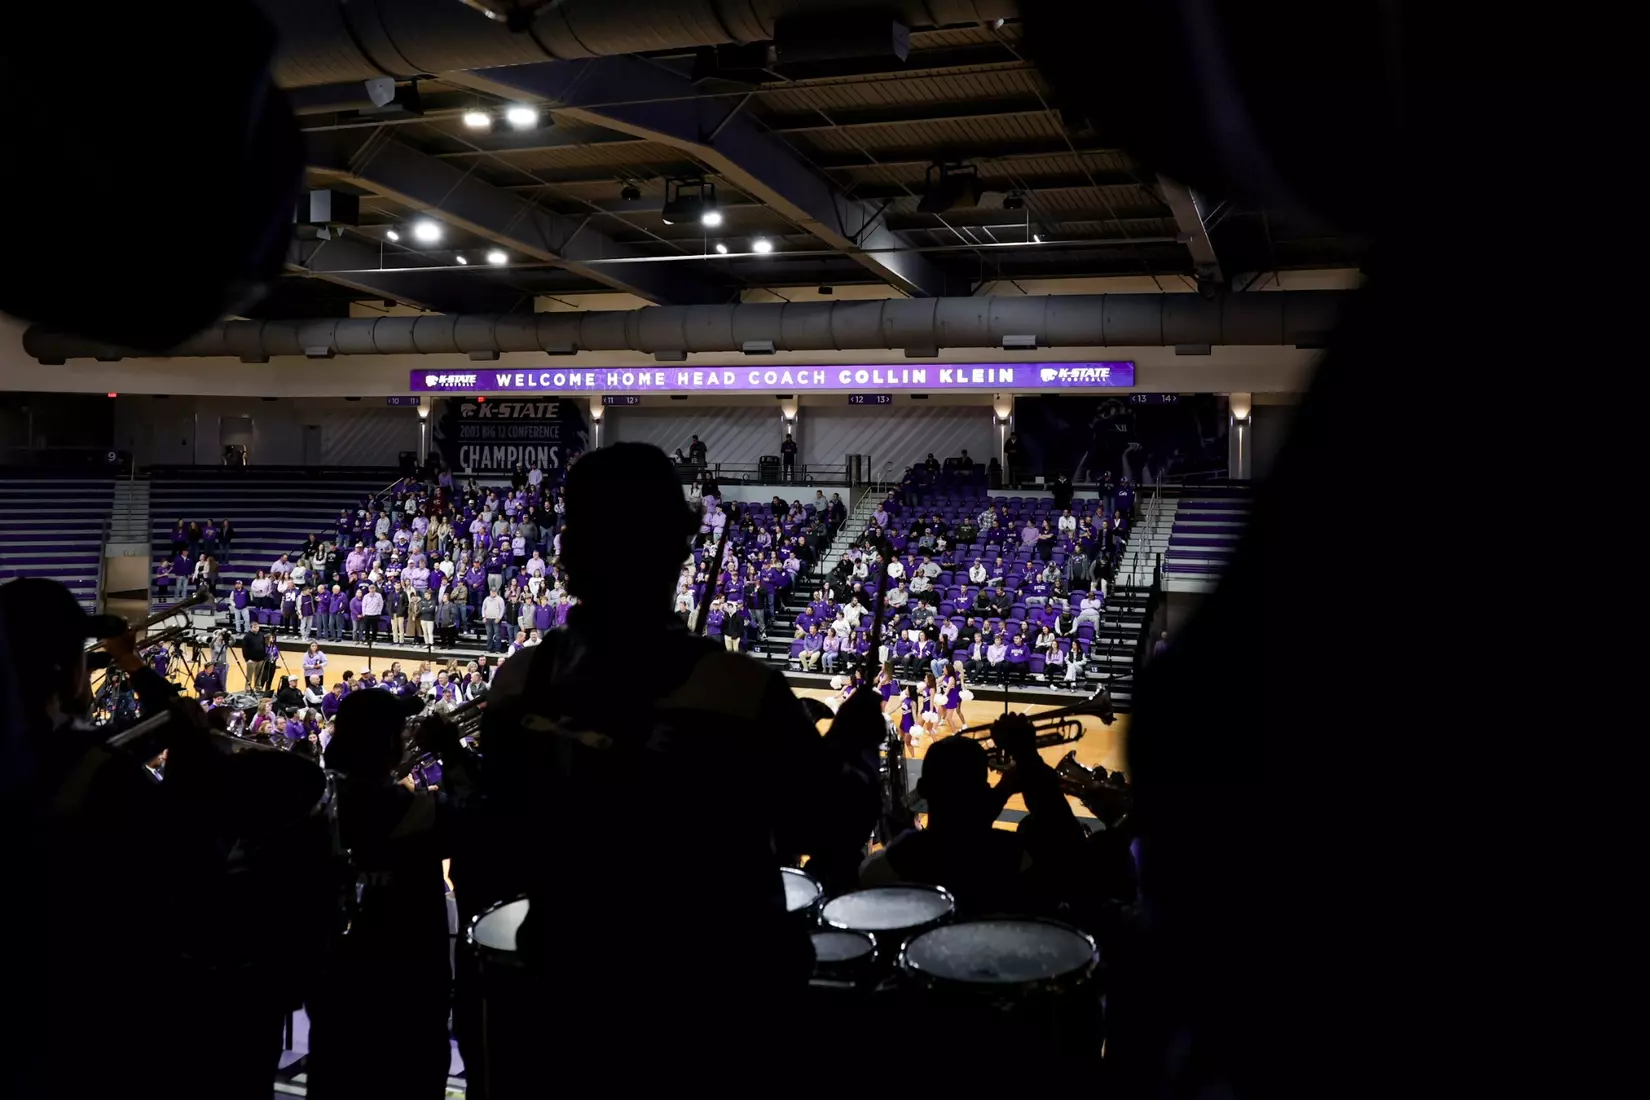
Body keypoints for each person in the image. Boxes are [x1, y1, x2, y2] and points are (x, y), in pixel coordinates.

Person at [472, 443, 882, 1079]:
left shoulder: (517, 683)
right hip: (714, 1013)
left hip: (569, 1001)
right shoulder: (741, 691)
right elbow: (834, 822)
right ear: (677, 551)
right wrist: (854, 741)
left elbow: (500, 843)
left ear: (569, 552)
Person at [309, 692, 478, 1099]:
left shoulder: (313, 804)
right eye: (401, 734)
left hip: (337, 985)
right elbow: (484, 813)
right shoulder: (418, 811)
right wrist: (451, 750)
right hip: (410, 991)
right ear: (389, 743)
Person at [860, 714, 1081, 915]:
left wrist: (1000, 792)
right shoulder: (1014, 855)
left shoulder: (885, 865)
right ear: (984, 791)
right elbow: (1072, 859)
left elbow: (954, 837)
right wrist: (1028, 759)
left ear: (924, 790)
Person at [241, 623, 268, 693]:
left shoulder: (261, 635)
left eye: (257, 627)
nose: (256, 628)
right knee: (249, 675)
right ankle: (248, 688)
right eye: (254, 627)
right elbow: (244, 648)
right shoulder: (247, 636)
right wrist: (247, 659)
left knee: (259, 675)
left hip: (261, 659)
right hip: (251, 660)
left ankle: (258, 688)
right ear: (251, 628)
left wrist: (264, 656)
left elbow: (264, 645)